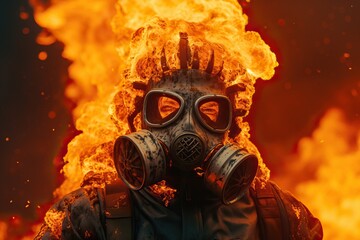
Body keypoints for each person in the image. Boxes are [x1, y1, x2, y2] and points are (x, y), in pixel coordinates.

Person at [35, 30, 323, 240]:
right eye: (168, 107)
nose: (188, 127)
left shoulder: (277, 216)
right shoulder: (90, 216)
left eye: (209, 111)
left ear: (231, 123)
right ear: (139, 119)